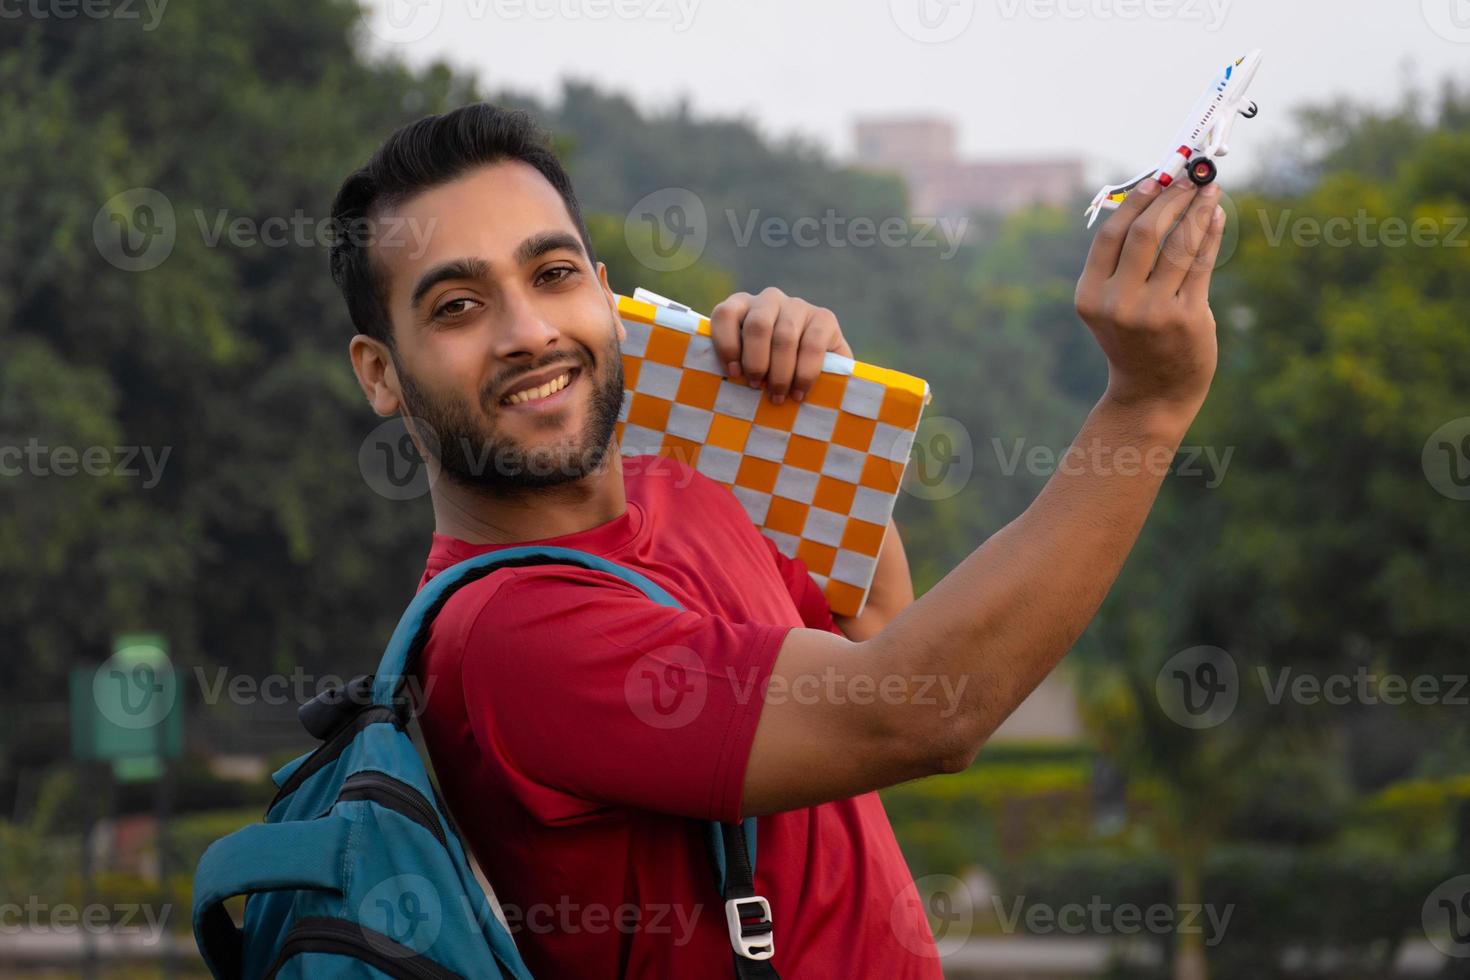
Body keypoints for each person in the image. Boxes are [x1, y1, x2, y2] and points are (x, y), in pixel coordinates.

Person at [330, 102, 1226, 978]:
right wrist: (1145, 407)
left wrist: (807, 423)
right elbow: (920, 709)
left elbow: (879, 622)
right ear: (380, 372)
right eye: (456, 307)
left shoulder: (682, 488)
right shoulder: (508, 635)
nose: (528, 332)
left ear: (604, 293)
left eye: (553, 274)